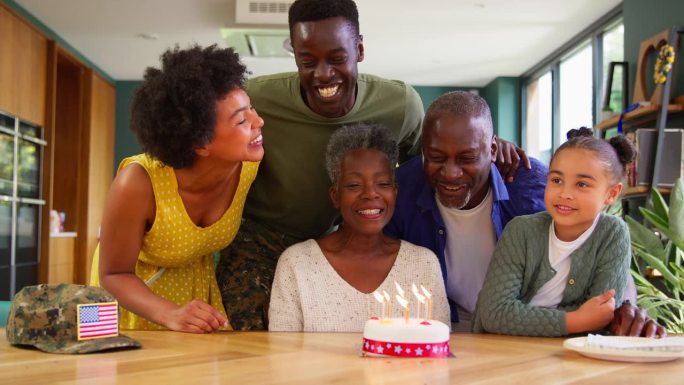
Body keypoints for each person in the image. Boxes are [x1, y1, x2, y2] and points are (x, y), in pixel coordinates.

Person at [216, 0, 525, 331]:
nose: (323, 74)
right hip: (262, 238)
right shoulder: (258, 99)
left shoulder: (400, 105)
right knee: (253, 341)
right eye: (308, 61)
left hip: (337, 237)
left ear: (359, 49)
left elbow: (428, 162)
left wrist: (488, 150)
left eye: (337, 58)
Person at [90, 45, 264, 332]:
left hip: (193, 302)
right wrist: (169, 313)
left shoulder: (248, 165)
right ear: (200, 143)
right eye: (243, 120)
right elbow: (113, 274)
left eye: (252, 109)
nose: (259, 122)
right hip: (127, 302)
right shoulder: (136, 183)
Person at [385, 91, 548, 331]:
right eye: (436, 157)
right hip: (444, 326)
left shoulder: (532, 186)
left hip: (524, 325)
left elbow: (584, 243)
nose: (450, 173)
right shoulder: (401, 190)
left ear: (493, 150)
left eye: (467, 158)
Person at [269, 123, 449, 331]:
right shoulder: (297, 264)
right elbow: (283, 356)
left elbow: (438, 351)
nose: (371, 194)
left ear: (395, 192)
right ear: (335, 196)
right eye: (354, 185)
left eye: (383, 184)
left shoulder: (424, 265)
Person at [471, 128, 636, 336]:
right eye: (556, 180)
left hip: (570, 356)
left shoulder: (613, 235)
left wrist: (522, 316)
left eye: (582, 184)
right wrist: (576, 320)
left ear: (611, 194)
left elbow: (601, 317)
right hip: (499, 351)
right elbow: (494, 314)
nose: (565, 194)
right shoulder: (520, 230)